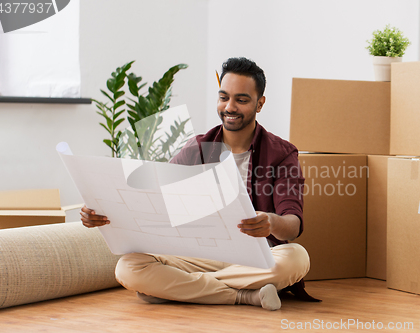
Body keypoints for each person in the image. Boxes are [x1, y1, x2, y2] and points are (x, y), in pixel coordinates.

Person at [81, 57, 315, 311]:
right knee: (128, 267)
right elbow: (151, 196)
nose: (230, 107)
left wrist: (271, 222)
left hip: (256, 258)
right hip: (199, 256)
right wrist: (101, 210)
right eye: (224, 97)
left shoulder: (281, 153)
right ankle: (246, 296)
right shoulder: (197, 149)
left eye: (242, 100)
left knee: (297, 258)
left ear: (260, 104)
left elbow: (292, 226)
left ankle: (178, 289)